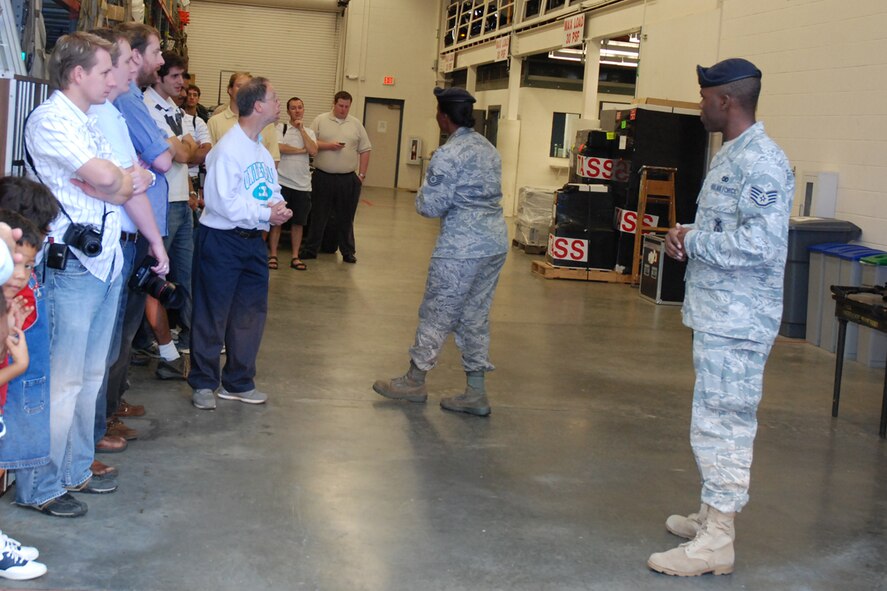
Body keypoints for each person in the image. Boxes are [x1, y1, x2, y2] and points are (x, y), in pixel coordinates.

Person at [647, 58, 794, 577]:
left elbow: (760, 243)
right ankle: (712, 513)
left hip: (738, 321)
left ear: (725, 101)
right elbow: (726, 226)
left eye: (704, 97)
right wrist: (687, 233)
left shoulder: (764, 163)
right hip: (717, 314)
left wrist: (697, 241)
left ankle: (718, 541)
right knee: (711, 418)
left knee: (725, 423)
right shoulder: (732, 155)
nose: (700, 105)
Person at [21, 31, 134, 517]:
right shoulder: (51, 122)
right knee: (62, 383)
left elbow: (123, 179)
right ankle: (40, 485)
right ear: (77, 74)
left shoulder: (87, 123)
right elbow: (112, 180)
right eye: (106, 70)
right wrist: (114, 183)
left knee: (89, 377)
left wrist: (116, 183)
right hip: (72, 269)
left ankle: (75, 470)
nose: (114, 78)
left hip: (105, 262)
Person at [372, 87, 508, 417]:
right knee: (475, 315)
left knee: (438, 310)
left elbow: (429, 206)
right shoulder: (488, 149)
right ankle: (475, 391)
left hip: (460, 247)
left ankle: (414, 380)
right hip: (494, 243)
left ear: (443, 116)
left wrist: (425, 192)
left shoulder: (449, 154)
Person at [87, 26, 169, 459]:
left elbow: (137, 176)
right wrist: (133, 177)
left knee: (117, 336)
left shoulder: (115, 110)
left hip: (127, 234)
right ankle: (93, 431)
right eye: (124, 62)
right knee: (100, 347)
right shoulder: (106, 110)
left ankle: (104, 415)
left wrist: (134, 178)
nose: (136, 66)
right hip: (108, 242)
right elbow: (144, 170)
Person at [188, 77, 292, 411]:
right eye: (274, 98)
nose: (279, 103)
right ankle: (204, 383)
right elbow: (221, 203)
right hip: (221, 240)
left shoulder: (261, 149)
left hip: (252, 243)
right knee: (212, 313)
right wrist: (266, 212)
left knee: (251, 313)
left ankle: (238, 382)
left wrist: (278, 207)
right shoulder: (227, 150)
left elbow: (268, 189)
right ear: (258, 106)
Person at [144, 51, 197, 369]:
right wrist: (184, 147)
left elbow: (189, 152)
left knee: (185, 276)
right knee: (155, 280)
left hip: (181, 200)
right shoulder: (146, 107)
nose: (182, 82)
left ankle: (186, 336)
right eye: (175, 76)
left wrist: (183, 147)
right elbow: (179, 154)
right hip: (159, 205)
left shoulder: (174, 108)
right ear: (159, 76)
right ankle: (153, 344)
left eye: (183, 76)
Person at [302, 90, 372, 264]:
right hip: (322, 176)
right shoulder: (320, 120)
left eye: (346, 106)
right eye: (340, 106)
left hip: (347, 179)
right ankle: (311, 249)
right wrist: (328, 146)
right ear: (334, 104)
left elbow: (365, 149)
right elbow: (310, 143)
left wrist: (361, 175)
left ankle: (347, 251)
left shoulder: (355, 124)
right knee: (318, 214)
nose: (343, 109)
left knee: (346, 216)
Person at [270, 97, 317, 270]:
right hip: (282, 183)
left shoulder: (309, 132)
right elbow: (279, 148)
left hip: (302, 185)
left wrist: (301, 131)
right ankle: (273, 255)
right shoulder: (280, 128)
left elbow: (313, 150)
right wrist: (300, 151)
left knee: (299, 222)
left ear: (303, 110)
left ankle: (295, 256)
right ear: (288, 111)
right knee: (277, 222)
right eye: (293, 108)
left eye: (300, 108)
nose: (297, 111)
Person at [206, 71, 280, 161]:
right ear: (230, 90)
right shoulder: (215, 122)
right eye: (239, 86)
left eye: (248, 87)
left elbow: (274, 160)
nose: (244, 91)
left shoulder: (266, 124)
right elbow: (210, 158)